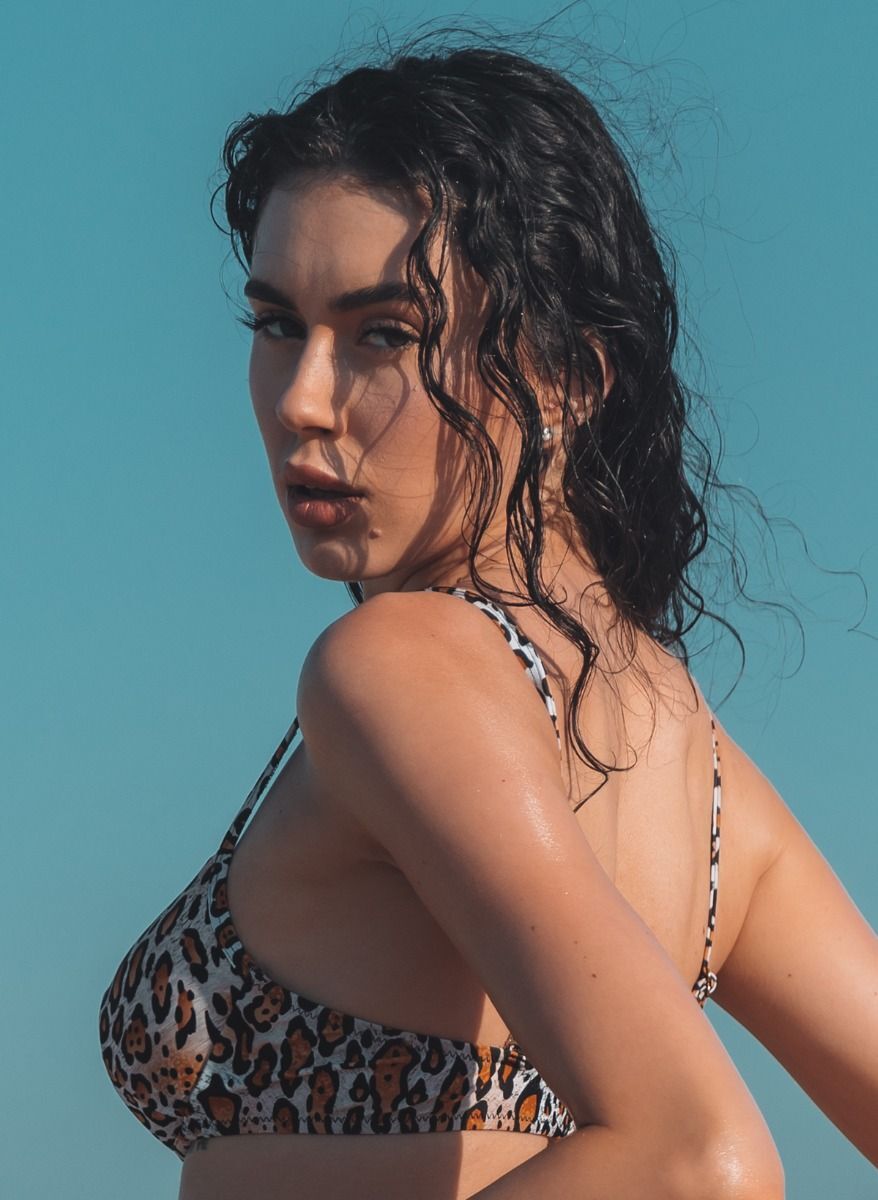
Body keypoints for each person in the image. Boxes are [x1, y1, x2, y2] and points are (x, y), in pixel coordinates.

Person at [98, 40, 877, 1200]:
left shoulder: (397, 667)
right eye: (277, 326)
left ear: (567, 377)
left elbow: (691, 1163)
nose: (301, 401)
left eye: (383, 334)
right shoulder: (700, 774)